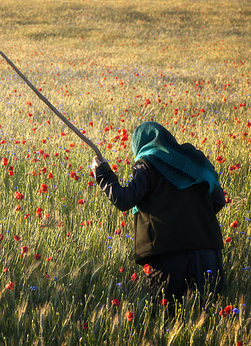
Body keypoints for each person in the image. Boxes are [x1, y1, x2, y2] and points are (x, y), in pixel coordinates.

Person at [92, 121, 226, 304]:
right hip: (208, 253)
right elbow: (218, 200)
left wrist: (103, 174)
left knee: (170, 319)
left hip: (168, 256)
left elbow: (125, 199)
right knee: (209, 317)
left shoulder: (148, 163)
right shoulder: (196, 161)